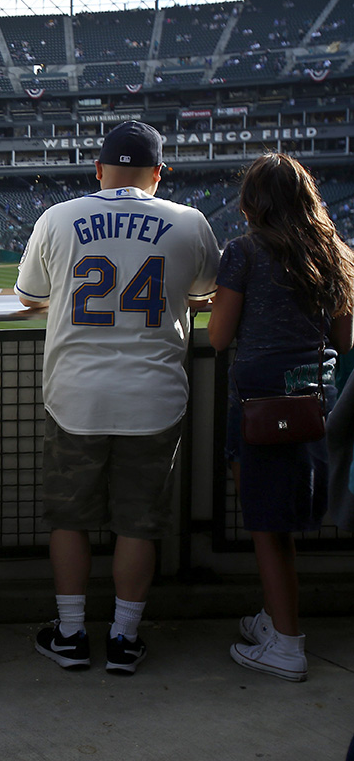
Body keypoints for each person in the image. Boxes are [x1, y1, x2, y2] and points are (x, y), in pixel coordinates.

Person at [15, 121, 219, 675]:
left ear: (98, 169)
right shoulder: (189, 221)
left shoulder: (58, 217)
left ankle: (71, 634)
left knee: (70, 519)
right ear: (159, 173)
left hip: (75, 395)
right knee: (137, 525)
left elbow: (30, 296)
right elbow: (203, 295)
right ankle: (124, 640)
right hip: (154, 396)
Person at [209, 153, 354, 681]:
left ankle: (287, 645)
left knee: (269, 528)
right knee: (280, 523)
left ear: (252, 204)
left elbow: (218, 337)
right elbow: (344, 339)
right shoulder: (334, 252)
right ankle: (275, 621)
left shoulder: (243, 251)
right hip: (316, 401)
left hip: (260, 405)